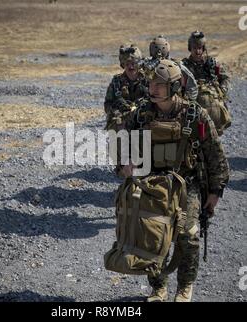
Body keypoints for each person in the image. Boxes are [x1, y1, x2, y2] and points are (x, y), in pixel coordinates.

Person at [112, 59, 229, 302]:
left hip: (187, 184)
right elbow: (121, 144)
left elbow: (215, 155)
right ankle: (159, 286)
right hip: (151, 183)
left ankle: (185, 286)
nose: (153, 88)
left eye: (160, 84)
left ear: (174, 87)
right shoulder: (142, 114)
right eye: (152, 83)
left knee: (188, 235)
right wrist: (124, 164)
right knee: (152, 233)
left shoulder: (195, 114)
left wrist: (215, 191)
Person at [182, 31, 231, 135]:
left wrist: (222, 90)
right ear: (190, 48)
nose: (198, 51)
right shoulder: (184, 66)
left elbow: (225, 78)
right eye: (195, 48)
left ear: (204, 48)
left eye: (200, 48)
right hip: (194, 103)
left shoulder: (212, 63)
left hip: (213, 104)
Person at [104, 44, 148, 131]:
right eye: (127, 64)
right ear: (123, 65)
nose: (131, 67)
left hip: (143, 120)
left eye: (133, 63)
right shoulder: (116, 81)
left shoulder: (147, 80)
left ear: (139, 63)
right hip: (122, 123)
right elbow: (107, 104)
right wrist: (115, 112)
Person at [143, 35, 198, 101]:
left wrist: (189, 100)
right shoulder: (147, 64)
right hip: (151, 100)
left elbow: (192, 86)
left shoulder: (175, 65)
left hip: (173, 101)